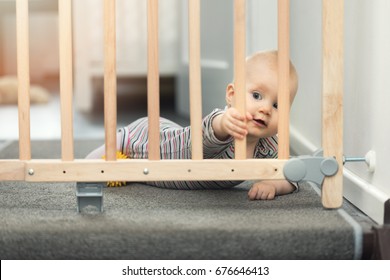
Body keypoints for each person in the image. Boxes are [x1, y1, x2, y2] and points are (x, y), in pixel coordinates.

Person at [86, 50, 299, 200]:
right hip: (150, 137)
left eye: (277, 104)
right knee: (107, 154)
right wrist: (224, 124)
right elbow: (208, 136)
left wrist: (273, 184)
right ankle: (83, 165)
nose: (266, 109)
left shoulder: (269, 146)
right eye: (256, 95)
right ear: (232, 95)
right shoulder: (224, 122)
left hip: (167, 153)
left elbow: (291, 176)